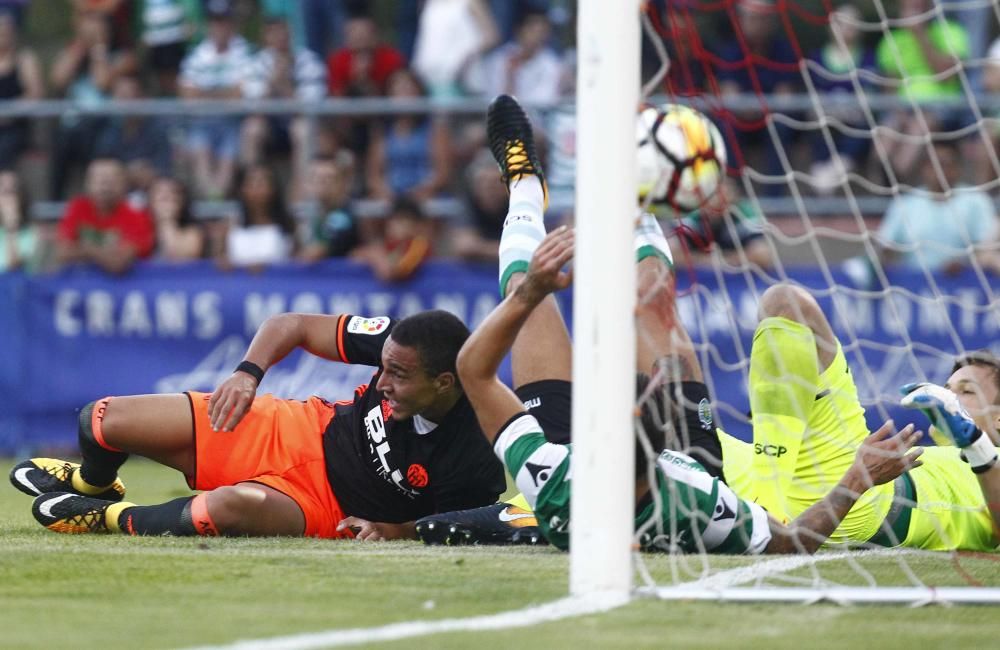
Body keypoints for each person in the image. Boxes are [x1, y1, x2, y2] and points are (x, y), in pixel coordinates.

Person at [417, 95, 921, 552]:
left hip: (589, 481)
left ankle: (525, 181)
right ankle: (635, 197)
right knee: (653, 296)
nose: (639, 383)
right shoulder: (703, 503)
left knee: (525, 292)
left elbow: (475, 370)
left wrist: (529, 294)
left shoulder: (549, 474)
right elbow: (791, 542)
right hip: (691, 464)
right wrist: (856, 480)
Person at [10, 307, 507, 540]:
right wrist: (248, 375)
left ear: (445, 382)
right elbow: (290, 325)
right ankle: (90, 484)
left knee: (225, 509)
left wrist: (390, 531)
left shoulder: (478, 447)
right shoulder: (402, 342)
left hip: (322, 505)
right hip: (298, 427)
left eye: (398, 376)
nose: (382, 382)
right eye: (385, 367)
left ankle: (109, 518)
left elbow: (454, 527)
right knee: (100, 419)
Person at [715, 284, 1000, 551]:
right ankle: (765, 509)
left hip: (865, 500)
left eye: (966, 391)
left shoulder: (991, 465)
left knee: (787, 304)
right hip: (778, 473)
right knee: (682, 441)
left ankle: (768, 515)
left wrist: (975, 444)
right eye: (948, 388)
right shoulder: (940, 454)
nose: (947, 396)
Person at [876, 140, 1000, 276]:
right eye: (933, 164)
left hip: (964, 283)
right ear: (923, 168)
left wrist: (966, 265)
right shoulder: (906, 203)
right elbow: (884, 246)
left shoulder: (976, 200)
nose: (940, 170)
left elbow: (987, 247)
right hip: (915, 286)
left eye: (946, 164)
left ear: (959, 167)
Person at [240, 11, 327, 202]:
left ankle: (299, 197)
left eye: (283, 32)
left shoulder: (309, 61)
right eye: (273, 32)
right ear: (266, 37)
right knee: (252, 129)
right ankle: (250, 190)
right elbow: (253, 106)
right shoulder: (256, 63)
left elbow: (311, 106)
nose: (279, 37)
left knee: (302, 130)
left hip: (296, 123)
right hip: (269, 126)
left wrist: (285, 86)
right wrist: (272, 83)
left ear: (290, 34)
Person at [177, 0, 252, 198]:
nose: (219, 26)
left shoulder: (244, 51)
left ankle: (219, 199)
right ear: (208, 24)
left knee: (229, 152)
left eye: (224, 21)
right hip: (202, 122)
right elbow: (187, 95)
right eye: (215, 21)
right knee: (199, 147)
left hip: (233, 122)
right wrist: (224, 93)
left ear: (232, 23)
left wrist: (206, 93)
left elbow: (241, 94)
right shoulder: (197, 54)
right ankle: (212, 200)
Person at [364, 69, 453, 202]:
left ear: (419, 94)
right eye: (398, 91)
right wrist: (384, 191)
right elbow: (373, 175)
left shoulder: (435, 130)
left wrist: (422, 191)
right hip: (390, 195)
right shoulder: (383, 132)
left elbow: (443, 173)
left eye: (409, 90)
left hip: (426, 194)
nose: (404, 97)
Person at [55, 158, 155, 275]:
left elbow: (118, 264)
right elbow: (61, 253)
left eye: (111, 180)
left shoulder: (137, 215)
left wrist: (85, 248)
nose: (105, 186)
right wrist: (103, 253)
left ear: (124, 184)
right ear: (87, 184)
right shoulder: (77, 207)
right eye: (98, 179)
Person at [218, 163, 296, 268]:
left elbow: (295, 263)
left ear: (273, 189)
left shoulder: (288, 225)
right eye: (251, 183)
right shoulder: (230, 225)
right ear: (242, 189)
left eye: (261, 183)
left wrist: (266, 267)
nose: (256, 188)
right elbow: (219, 260)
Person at [297, 152, 361, 262]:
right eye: (317, 178)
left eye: (329, 178)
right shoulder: (312, 217)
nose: (323, 183)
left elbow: (337, 244)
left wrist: (322, 250)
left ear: (341, 183)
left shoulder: (344, 216)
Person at [0, 9, 43, 169]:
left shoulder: (24, 59)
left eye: (6, 30)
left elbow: (35, 95)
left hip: (15, 125)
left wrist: (8, 112)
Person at [149, 176, 205, 260]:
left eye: (172, 193)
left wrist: (167, 221)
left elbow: (180, 260)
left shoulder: (193, 232)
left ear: (181, 201)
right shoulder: (139, 227)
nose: (166, 197)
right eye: (159, 192)